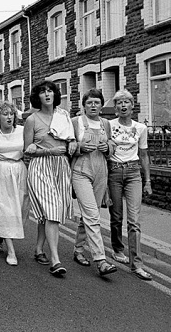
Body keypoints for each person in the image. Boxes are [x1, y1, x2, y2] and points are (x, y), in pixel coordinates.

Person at [24, 80, 77, 277]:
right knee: (53, 209)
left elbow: (71, 138)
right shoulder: (32, 120)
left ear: (55, 95)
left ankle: (39, 249)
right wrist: (49, 150)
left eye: (50, 91)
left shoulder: (63, 116)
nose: (47, 95)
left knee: (48, 213)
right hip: (40, 168)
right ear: (37, 97)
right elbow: (27, 151)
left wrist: (72, 143)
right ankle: (55, 259)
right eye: (42, 92)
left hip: (61, 167)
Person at [70, 89, 118, 276]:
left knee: (91, 214)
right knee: (92, 215)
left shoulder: (105, 123)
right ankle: (101, 260)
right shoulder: (76, 122)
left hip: (101, 171)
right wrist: (79, 148)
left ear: (101, 105)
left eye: (97, 102)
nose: (93, 106)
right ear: (84, 105)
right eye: (89, 102)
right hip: (81, 170)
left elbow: (113, 145)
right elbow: (68, 146)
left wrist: (109, 148)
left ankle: (79, 250)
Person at [108, 90, 153, 281]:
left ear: (132, 105)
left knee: (134, 221)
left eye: (126, 102)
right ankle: (118, 248)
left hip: (134, 173)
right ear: (116, 107)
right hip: (114, 171)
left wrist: (148, 181)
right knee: (116, 216)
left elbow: (144, 155)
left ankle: (137, 264)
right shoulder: (108, 125)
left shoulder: (141, 128)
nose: (123, 105)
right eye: (119, 103)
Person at [0, 101, 29, 266]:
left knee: (19, 209)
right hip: (0, 171)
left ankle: (1, 235)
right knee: (4, 207)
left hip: (19, 171)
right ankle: (11, 251)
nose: (9, 117)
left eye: (11, 114)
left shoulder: (22, 131)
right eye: (5, 114)